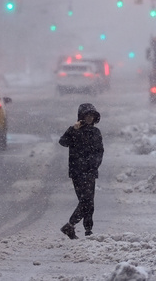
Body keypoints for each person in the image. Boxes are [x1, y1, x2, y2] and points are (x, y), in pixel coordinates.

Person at [58, 102, 103, 239]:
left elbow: (99, 151)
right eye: (87, 115)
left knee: (88, 202)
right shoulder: (75, 131)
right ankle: (74, 227)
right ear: (81, 116)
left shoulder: (96, 132)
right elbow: (63, 142)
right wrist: (73, 130)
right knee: (85, 202)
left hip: (90, 172)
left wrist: (94, 165)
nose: (89, 118)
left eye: (91, 116)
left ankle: (84, 229)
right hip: (77, 172)